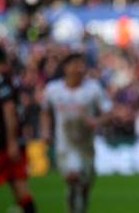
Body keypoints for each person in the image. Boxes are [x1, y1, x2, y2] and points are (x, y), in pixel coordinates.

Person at [40, 52, 113, 213]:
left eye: (82, 64)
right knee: (73, 177)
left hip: (86, 146)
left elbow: (108, 111)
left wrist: (96, 121)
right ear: (65, 67)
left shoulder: (93, 89)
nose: (79, 68)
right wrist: (45, 131)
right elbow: (44, 110)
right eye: (75, 64)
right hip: (65, 145)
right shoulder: (53, 89)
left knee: (85, 186)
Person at [0, 44, 36, 213]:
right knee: (19, 187)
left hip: (3, 144)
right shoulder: (12, 77)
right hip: (16, 141)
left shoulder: (0, 79)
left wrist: (11, 142)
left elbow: (9, 110)